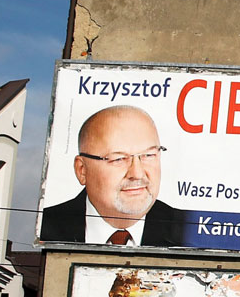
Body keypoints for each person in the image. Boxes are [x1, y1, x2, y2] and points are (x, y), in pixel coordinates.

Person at [38, 104, 188, 245]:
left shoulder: (189, 230)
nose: (137, 173)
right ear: (82, 170)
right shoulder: (45, 226)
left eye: (148, 155)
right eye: (119, 159)